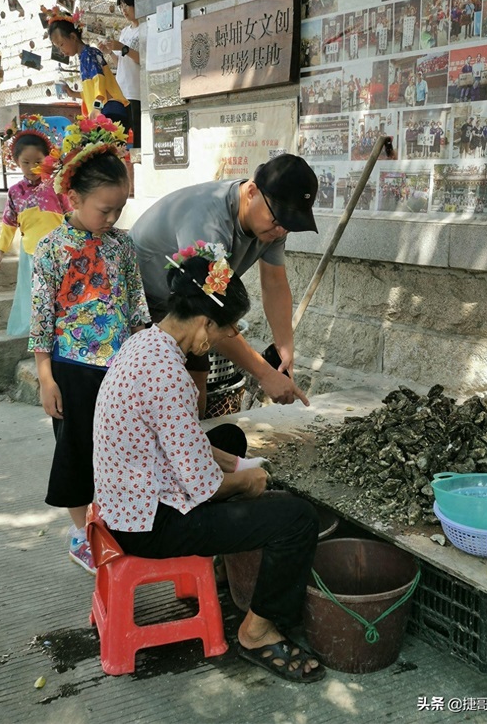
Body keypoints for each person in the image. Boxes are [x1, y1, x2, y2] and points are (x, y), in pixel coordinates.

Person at [92, 252, 326, 684]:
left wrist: (236, 463)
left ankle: (224, 564)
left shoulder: (144, 342)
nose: (229, 336)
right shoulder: (168, 375)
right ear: (203, 323)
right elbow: (205, 486)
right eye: (227, 328)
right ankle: (258, 632)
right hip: (147, 524)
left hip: (124, 501)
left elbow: (181, 443)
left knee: (231, 439)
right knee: (295, 518)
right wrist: (247, 482)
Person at [29, 115, 150, 574]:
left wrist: (143, 357)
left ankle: (115, 519)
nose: (112, 218)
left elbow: (136, 308)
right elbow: (42, 320)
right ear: (73, 198)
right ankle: (81, 532)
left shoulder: (122, 246)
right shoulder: (51, 250)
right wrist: (46, 377)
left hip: (119, 370)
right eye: (105, 209)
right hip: (71, 371)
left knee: (120, 448)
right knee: (76, 451)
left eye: (119, 209)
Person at [129, 154, 318, 416]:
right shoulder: (208, 223)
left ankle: (192, 446)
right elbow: (212, 310)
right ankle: (171, 450)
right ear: (252, 191)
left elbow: (274, 283)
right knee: (171, 381)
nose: (280, 232)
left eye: (289, 226)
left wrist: (284, 345)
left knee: (197, 375)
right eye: (277, 220)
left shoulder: (272, 226)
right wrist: (264, 373)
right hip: (145, 296)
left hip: (193, 302)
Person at [0, 116, 69, 336]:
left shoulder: (56, 185)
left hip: (60, 251)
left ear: (47, 159)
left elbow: (71, 214)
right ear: (16, 161)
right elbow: (9, 223)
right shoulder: (15, 192)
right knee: (36, 295)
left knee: (60, 293)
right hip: (31, 254)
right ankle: (40, 333)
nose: (31, 167)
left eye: (37, 162)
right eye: (25, 162)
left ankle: (61, 330)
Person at [42, 5, 130, 130]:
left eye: (61, 44)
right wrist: (73, 93)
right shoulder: (85, 56)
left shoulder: (89, 54)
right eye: (58, 47)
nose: (61, 51)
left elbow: (100, 84)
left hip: (109, 111)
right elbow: (92, 91)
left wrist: (97, 107)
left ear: (73, 37)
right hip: (105, 110)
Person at [98, 0, 141, 148]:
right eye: (121, 6)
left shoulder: (146, 28)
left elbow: (143, 59)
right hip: (120, 92)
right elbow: (120, 62)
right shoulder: (125, 31)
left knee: (138, 138)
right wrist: (109, 52)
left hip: (136, 92)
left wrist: (122, 48)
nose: (123, 10)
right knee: (117, 137)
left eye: (126, 5)